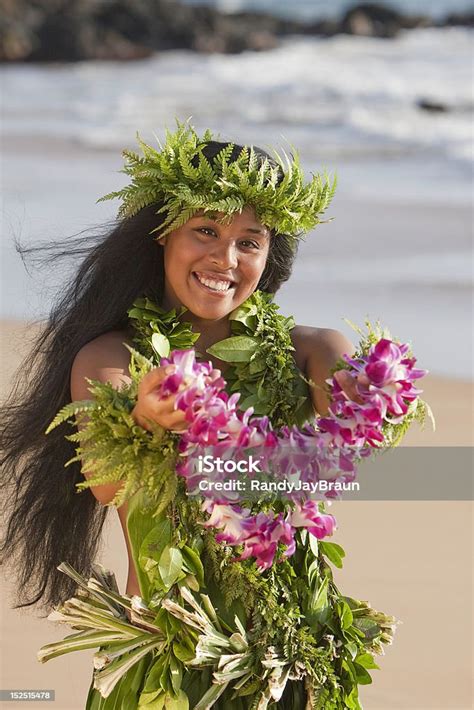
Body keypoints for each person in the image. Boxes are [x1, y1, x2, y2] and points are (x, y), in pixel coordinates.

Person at [1, 124, 380, 708]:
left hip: (289, 657)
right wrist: (147, 415)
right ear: (162, 235)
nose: (225, 259)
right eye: (205, 230)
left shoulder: (309, 352)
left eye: (249, 242)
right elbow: (106, 484)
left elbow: (352, 427)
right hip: (165, 663)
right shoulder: (110, 358)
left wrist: (363, 393)